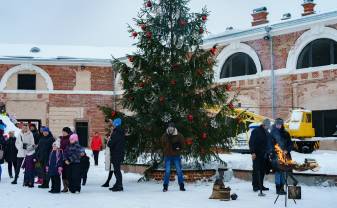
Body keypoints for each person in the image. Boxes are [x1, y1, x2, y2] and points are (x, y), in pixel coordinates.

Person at [249, 119, 271, 196]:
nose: (268, 128)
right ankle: (255, 186)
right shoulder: (256, 131)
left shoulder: (267, 132)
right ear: (263, 125)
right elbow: (251, 142)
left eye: (268, 127)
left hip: (264, 154)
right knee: (256, 170)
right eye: (267, 126)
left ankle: (260, 185)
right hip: (257, 154)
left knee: (262, 170)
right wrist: (252, 152)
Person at [270, 118, 293, 195]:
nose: (278, 126)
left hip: (286, 155)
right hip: (276, 155)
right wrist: (275, 151)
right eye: (277, 124)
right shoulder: (272, 133)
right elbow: (270, 145)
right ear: (275, 124)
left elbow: (290, 144)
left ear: (282, 124)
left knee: (284, 172)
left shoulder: (286, 133)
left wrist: (287, 150)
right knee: (278, 172)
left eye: (280, 124)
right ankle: (278, 188)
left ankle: (282, 188)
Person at [161, 122, 186, 192]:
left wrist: (179, 147)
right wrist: (165, 149)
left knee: (179, 171)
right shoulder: (164, 136)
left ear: (174, 128)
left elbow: (183, 145)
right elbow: (162, 144)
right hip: (167, 156)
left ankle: (181, 186)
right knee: (167, 172)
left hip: (176, 156)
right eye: (169, 128)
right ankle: (165, 186)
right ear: (168, 128)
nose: (170, 129)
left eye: (172, 128)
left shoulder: (179, 135)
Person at [107, 118, 125, 192]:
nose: (113, 124)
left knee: (117, 170)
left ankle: (119, 186)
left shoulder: (116, 132)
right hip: (118, 153)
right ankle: (117, 184)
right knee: (116, 170)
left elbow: (111, 144)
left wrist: (108, 141)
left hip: (116, 154)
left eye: (114, 123)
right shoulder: (119, 131)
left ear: (116, 124)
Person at [60, 127, 72, 192]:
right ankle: (65, 187)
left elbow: (70, 149)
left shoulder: (70, 139)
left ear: (68, 132)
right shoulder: (62, 139)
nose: (63, 133)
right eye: (62, 131)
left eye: (64, 132)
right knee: (63, 172)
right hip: (62, 157)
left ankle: (69, 186)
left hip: (68, 158)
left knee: (68, 173)